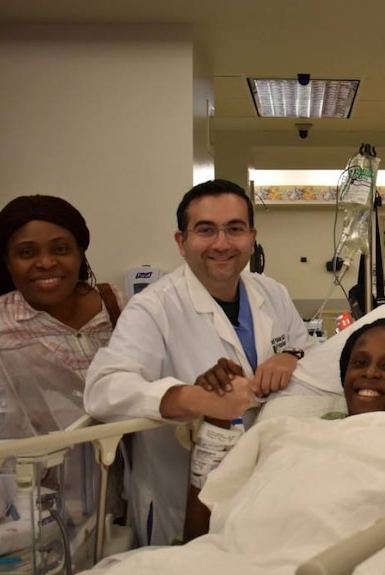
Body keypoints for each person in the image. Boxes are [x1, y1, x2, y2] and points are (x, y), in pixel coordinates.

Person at [82, 314, 385, 575]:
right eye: (360, 362)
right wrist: (216, 418)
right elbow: (200, 533)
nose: (369, 373)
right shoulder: (287, 430)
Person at [84, 179, 314, 546]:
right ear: (181, 241)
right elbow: (104, 388)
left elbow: (308, 356)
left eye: (235, 229)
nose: (222, 243)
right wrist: (195, 399)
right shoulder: (155, 307)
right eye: (206, 230)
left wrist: (291, 356)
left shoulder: (271, 292)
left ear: (251, 237)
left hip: (265, 486)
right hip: (179, 496)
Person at [0, 194, 123, 378]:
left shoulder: (115, 304)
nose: (46, 263)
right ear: (6, 261)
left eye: (60, 249)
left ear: (79, 252)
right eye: (27, 252)